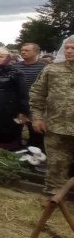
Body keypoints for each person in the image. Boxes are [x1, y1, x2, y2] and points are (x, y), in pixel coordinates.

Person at [30, 36, 74, 195]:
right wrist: (37, 117)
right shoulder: (52, 70)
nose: (69, 51)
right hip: (56, 127)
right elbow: (37, 94)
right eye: (67, 48)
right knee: (56, 166)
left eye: (73, 48)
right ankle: (54, 198)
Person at [16, 43, 46, 150]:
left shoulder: (44, 67)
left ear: (36, 52)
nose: (23, 52)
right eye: (22, 50)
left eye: (27, 50)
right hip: (18, 104)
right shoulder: (15, 66)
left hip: (35, 104)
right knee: (16, 129)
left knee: (35, 132)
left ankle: (35, 151)